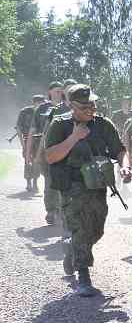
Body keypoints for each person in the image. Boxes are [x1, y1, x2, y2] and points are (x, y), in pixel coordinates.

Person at [45, 84, 131, 296]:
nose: (91, 108)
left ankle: (72, 250)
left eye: (93, 104)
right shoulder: (60, 125)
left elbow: (120, 150)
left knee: (97, 229)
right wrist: (74, 137)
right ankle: (83, 275)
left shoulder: (103, 124)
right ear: (71, 105)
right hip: (72, 187)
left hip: (97, 185)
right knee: (81, 228)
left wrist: (125, 166)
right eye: (85, 106)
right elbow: (50, 157)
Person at [37, 79, 77, 228]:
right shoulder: (55, 111)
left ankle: (66, 213)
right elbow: (45, 135)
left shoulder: (84, 107)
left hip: (76, 154)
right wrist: (40, 154)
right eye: (66, 90)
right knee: (52, 184)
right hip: (57, 153)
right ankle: (52, 210)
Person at [27, 82, 64, 222]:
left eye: (61, 91)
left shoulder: (68, 107)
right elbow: (33, 130)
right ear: (49, 92)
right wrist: (29, 151)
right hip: (45, 150)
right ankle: (51, 210)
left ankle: (62, 209)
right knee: (49, 181)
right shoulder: (42, 108)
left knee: (63, 180)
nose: (59, 94)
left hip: (63, 149)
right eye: (56, 91)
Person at [15, 95, 45, 192]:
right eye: (39, 102)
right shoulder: (24, 112)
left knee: (37, 162)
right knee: (27, 161)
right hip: (27, 139)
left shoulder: (44, 112)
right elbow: (19, 128)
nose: (41, 104)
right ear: (34, 102)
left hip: (39, 140)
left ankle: (35, 182)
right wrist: (23, 145)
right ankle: (28, 182)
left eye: (42, 102)